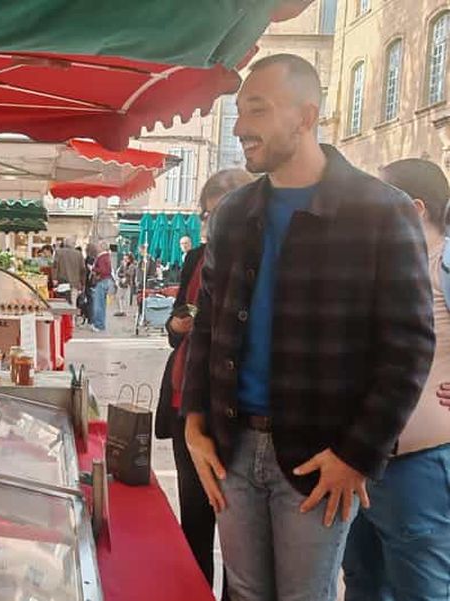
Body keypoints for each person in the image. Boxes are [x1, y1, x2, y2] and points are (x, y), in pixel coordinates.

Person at [182, 54, 434, 601]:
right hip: (231, 445)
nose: (240, 127)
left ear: (306, 116)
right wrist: (194, 420)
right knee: (244, 594)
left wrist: (358, 455)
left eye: (258, 110)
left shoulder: (380, 212)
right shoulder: (234, 214)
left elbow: (408, 348)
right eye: (239, 111)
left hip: (321, 456)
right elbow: (208, 328)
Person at [342, 159, 450, 601]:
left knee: (420, 588)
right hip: (362, 464)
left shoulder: (442, 267)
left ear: (414, 207)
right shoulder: (380, 267)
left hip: (419, 468)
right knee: (362, 579)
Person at [155, 169, 252, 598]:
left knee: (235, 530)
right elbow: (176, 324)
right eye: (209, 214)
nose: (214, 222)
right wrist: (177, 325)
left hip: (231, 408)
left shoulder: (260, 261)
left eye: (222, 212)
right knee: (193, 517)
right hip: (184, 397)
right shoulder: (196, 258)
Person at [52, 236, 87, 308]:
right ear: (73, 244)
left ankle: (63, 319)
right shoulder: (79, 254)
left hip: (62, 282)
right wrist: (83, 283)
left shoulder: (59, 252)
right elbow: (83, 270)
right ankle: (72, 318)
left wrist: (54, 278)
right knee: (73, 304)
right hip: (75, 283)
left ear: (65, 244)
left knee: (61, 304)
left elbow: (55, 266)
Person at [89, 240, 113, 332]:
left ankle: (98, 324)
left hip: (102, 281)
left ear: (102, 247)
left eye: (98, 246)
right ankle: (100, 324)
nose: (97, 248)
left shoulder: (102, 257)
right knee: (102, 304)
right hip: (105, 281)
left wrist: (93, 268)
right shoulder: (107, 256)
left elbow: (103, 270)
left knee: (98, 304)